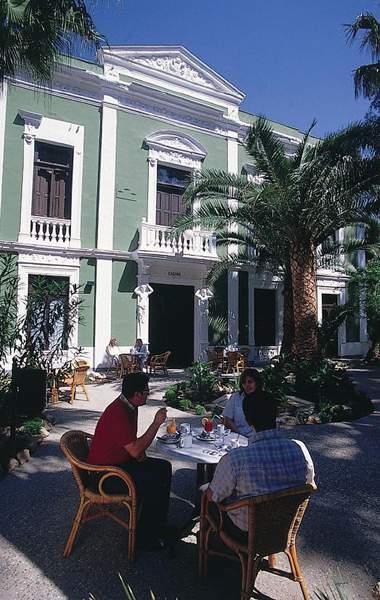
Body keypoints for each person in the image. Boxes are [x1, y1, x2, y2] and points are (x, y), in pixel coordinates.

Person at [206, 392, 315, 544]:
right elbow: (308, 485)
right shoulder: (300, 449)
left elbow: (213, 496)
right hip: (284, 528)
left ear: (247, 420)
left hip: (246, 533)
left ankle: (210, 550)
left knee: (205, 497)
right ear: (276, 414)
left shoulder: (235, 459)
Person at [87, 372, 172, 549]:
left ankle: (156, 526)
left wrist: (142, 456)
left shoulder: (129, 406)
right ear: (137, 395)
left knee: (163, 467)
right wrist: (156, 424)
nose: (148, 394)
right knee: (153, 481)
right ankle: (146, 537)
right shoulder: (118, 412)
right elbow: (134, 450)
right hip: (105, 474)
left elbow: (131, 445)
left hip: (119, 463)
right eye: (146, 392)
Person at [222, 368, 264, 437]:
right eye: (244, 382)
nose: (246, 385)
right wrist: (240, 435)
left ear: (257, 382)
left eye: (250, 382)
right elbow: (227, 420)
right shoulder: (235, 397)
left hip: (257, 437)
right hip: (237, 436)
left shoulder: (264, 399)